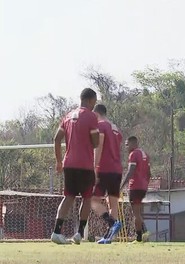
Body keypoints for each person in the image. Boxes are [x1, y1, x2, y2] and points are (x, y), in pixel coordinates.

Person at [51, 88, 99, 245]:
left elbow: (57, 139)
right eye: (94, 102)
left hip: (69, 163)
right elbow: (96, 142)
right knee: (87, 197)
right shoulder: (91, 116)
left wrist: (59, 161)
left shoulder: (68, 116)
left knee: (69, 197)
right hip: (84, 165)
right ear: (90, 100)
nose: (94, 105)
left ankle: (57, 232)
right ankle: (79, 233)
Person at [92, 104, 123, 244]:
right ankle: (109, 237)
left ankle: (112, 223)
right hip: (117, 169)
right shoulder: (116, 129)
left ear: (96, 114)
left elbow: (99, 146)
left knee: (92, 200)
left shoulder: (101, 126)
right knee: (113, 204)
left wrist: (93, 167)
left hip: (104, 169)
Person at [120, 136, 151, 243]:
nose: (126, 147)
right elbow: (149, 173)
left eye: (127, 145)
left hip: (135, 186)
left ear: (133, 143)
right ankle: (142, 235)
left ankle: (140, 236)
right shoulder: (145, 155)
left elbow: (130, 171)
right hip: (143, 187)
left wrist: (122, 185)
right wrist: (146, 183)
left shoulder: (133, 154)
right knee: (138, 212)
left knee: (136, 213)